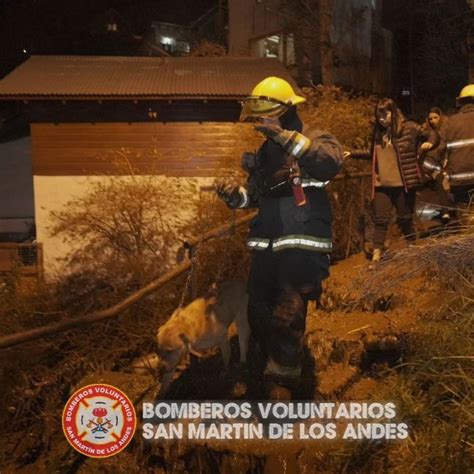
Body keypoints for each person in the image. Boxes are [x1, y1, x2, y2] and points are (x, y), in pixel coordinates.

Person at [215, 76, 344, 399]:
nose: (263, 122)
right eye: (260, 116)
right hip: (268, 245)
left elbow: (329, 164)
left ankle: (282, 386)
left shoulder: (313, 138)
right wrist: (236, 196)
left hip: (301, 242)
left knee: (287, 313)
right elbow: (257, 195)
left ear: (286, 111)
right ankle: (267, 370)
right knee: (258, 312)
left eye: (268, 114)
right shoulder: (265, 152)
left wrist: (287, 138)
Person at [350, 98, 439, 263]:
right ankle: (377, 254)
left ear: (394, 112)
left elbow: (432, 133)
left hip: (403, 184)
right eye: (379, 115)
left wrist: (430, 143)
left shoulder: (409, 128)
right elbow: (372, 153)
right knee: (380, 219)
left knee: (405, 218)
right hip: (382, 184)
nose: (382, 119)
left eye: (385, 114)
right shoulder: (378, 133)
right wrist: (352, 153)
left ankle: (413, 248)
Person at [444, 85, 474, 208]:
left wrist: (434, 171)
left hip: (458, 179)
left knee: (465, 214)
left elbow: (438, 149)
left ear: (460, 102)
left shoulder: (450, 122)